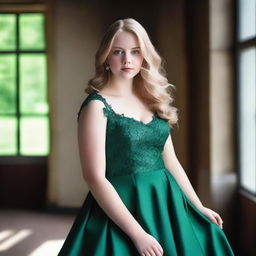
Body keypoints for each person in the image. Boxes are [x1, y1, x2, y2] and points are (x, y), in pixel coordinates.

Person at [58, 18, 235, 256]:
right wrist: (137, 234)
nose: (127, 60)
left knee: (210, 238)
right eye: (118, 52)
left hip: (165, 202)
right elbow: (94, 178)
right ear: (106, 57)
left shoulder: (153, 100)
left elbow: (170, 161)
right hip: (122, 207)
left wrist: (197, 205)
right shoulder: (96, 107)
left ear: (144, 57)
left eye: (135, 52)